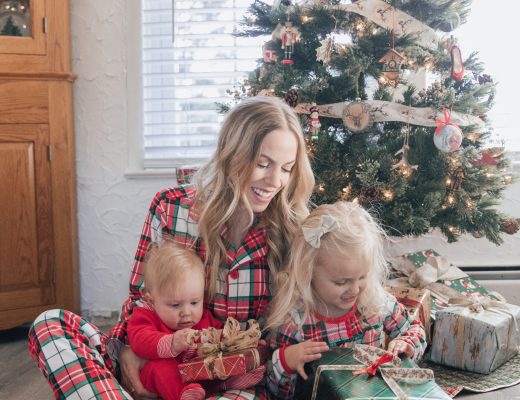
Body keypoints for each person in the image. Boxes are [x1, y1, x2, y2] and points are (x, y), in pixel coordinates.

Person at [28, 95, 315, 400]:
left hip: (225, 384)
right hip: (152, 355)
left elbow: (281, 336)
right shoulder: (171, 208)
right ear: (232, 155)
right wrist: (128, 349)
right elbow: (141, 298)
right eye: (262, 164)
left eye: (286, 168)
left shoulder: (292, 232)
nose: (275, 180)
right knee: (51, 325)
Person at [264, 201, 427, 399]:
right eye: (342, 282)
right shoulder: (295, 321)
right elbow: (276, 392)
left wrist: (406, 344)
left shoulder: (375, 303)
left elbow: (415, 329)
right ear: (309, 272)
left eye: (362, 277)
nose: (355, 289)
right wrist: (285, 361)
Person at [126, 239, 223, 400]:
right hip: (160, 377)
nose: (186, 312)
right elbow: (139, 340)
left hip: (198, 376)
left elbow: (221, 333)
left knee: (216, 365)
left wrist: (244, 342)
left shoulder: (204, 318)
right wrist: (171, 343)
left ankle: (233, 380)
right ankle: (183, 395)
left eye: (194, 302)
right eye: (175, 305)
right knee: (162, 368)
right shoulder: (146, 315)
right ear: (151, 300)